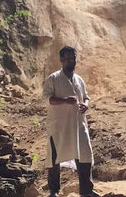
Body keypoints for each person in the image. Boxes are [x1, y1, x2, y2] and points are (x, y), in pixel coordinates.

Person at [42, 46, 99, 197]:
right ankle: (54, 191)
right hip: (59, 126)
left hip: (79, 125)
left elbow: (86, 96)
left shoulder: (79, 79)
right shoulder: (53, 79)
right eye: (68, 58)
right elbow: (47, 99)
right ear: (61, 59)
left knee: (85, 156)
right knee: (54, 159)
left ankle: (87, 190)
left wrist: (86, 104)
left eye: (73, 58)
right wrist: (65, 100)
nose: (71, 61)